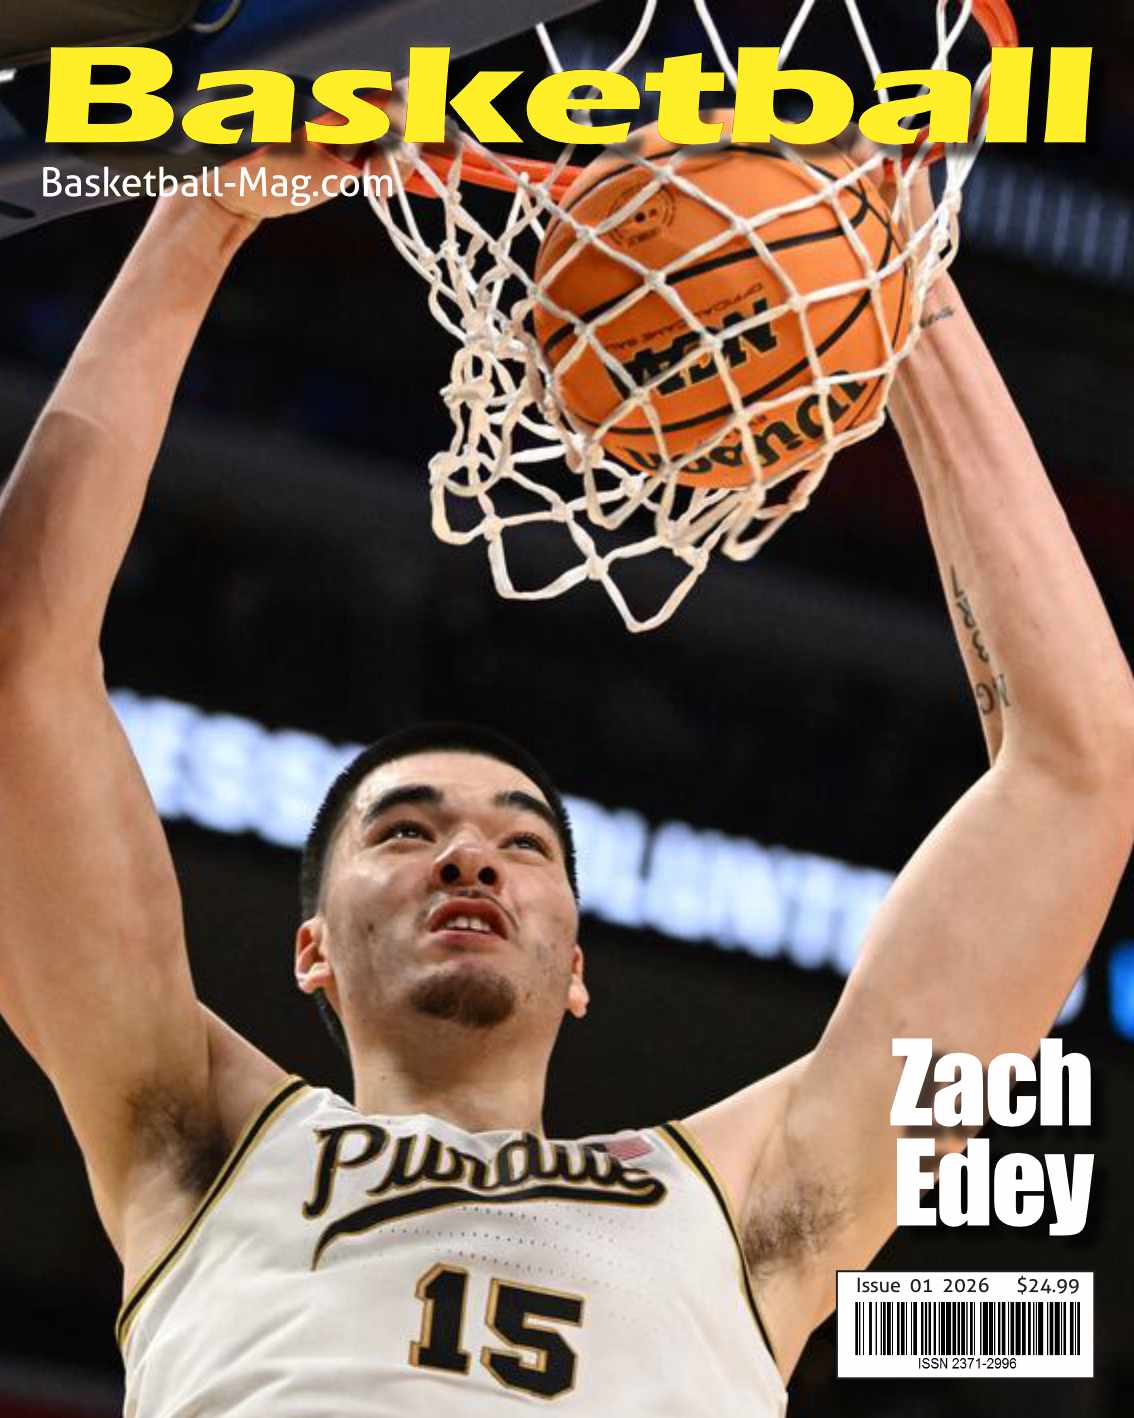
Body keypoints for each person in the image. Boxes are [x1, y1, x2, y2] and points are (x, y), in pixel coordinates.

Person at [0, 128, 1131, 1418]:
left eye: (523, 842)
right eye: (404, 830)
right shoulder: (191, 1137)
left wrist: (897, 275)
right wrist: (201, 221)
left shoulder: (748, 1208)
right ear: (312, 950)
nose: (468, 856)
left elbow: (1079, 771)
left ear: (579, 964)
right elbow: (23, 667)